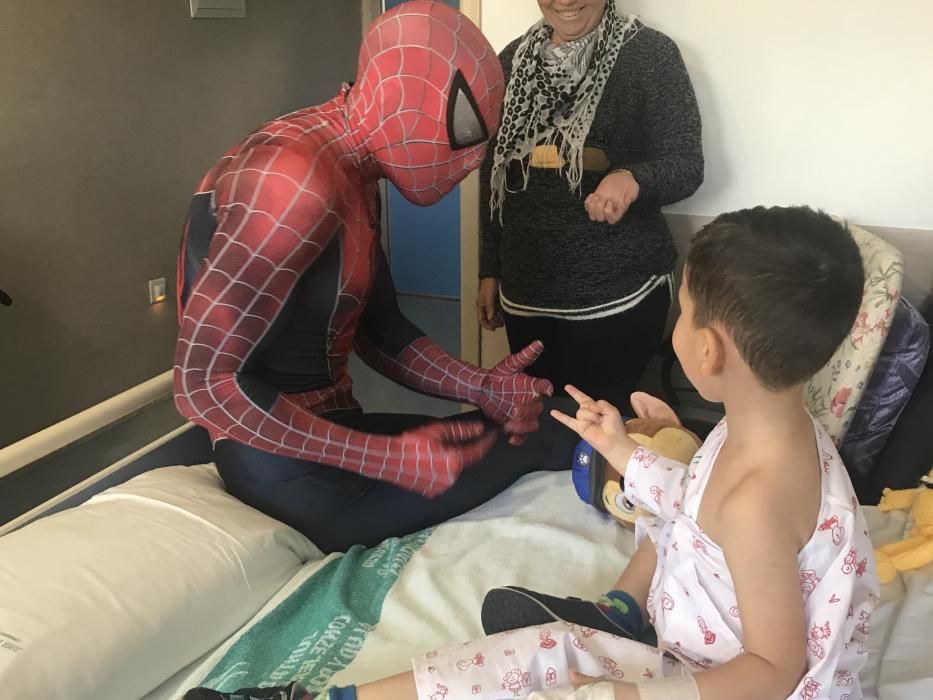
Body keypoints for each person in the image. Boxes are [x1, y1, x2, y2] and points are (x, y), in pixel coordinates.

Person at [187, 206, 877, 700]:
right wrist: (625, 453)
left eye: (683, 309)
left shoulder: (757, 502)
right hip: (694, 643)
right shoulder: (770, 428)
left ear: (707, 349)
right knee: (536, 649)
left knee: (549, 668)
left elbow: (772, 670)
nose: (677, 325)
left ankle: (618, 624)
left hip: (723, 679)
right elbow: (702, 511)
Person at [173, 1, 579, 555]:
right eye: (466, 128)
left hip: (329, 435)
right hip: (286, 469)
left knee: (550, 419)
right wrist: (385, 459)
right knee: (555, 433)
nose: (475, 158)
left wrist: (481, 385)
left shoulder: (351, 170)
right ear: (398, 95)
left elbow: (381, 331)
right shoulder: (292, 177)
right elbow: (204, 386)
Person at [476, 0, 704, 412]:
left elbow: (686, 164)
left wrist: (632, 178)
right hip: (527, 295)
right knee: (541, 424)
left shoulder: (649, 54)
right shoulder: (510, 60)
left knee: (601, 434)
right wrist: (489, 268)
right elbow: (494, 172)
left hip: (618, 296)